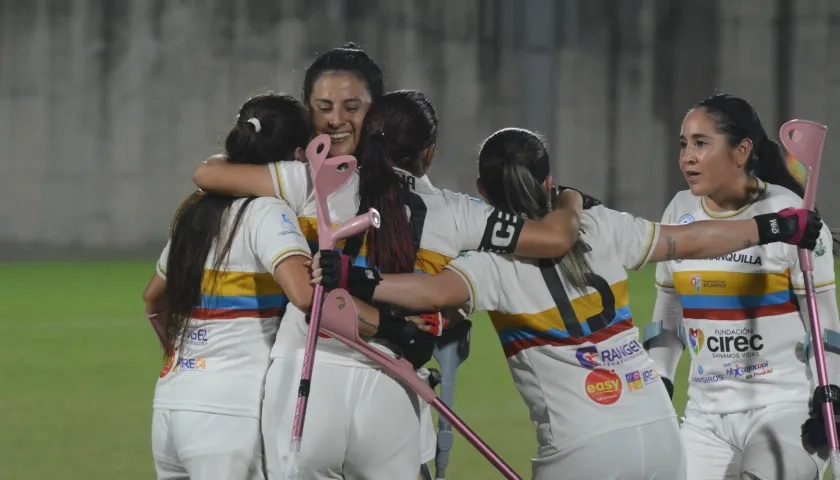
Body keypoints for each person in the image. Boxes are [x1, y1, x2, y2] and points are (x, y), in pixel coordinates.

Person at [309, 127, 824, 480]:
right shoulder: (602, 225)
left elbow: (428, 292)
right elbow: (691, 239)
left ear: (483, 194)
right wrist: (776, 226)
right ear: (549, 182)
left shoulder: (488, 264)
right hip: (661, 436)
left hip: (583, 451)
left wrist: (357, 275)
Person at [192, 90, 586, 479]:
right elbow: (556, 239)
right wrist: (571, 200)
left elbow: (208, 174)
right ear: (428, 152)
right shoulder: (461, 213)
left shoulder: (317, 178)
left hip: (305, 378)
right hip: (389, 384)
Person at [140, 93, 384, 480]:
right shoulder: (268, 211)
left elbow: (153, 299)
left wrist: (177, 352)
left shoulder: (194, 211)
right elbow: (306, 296)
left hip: (171, 406)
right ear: (297, 153)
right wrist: (379, 323)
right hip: (232, 415)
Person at [643, 93, 840, 480]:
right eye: (684, 144)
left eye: (701, 143)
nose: (687, 156)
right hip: (705, 417)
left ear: (741, 151)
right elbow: (667, 314)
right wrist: (660, 381)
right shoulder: (678, 211)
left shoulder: (790, 214)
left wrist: (828, 393)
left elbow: (826, 326)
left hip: (785, 410)